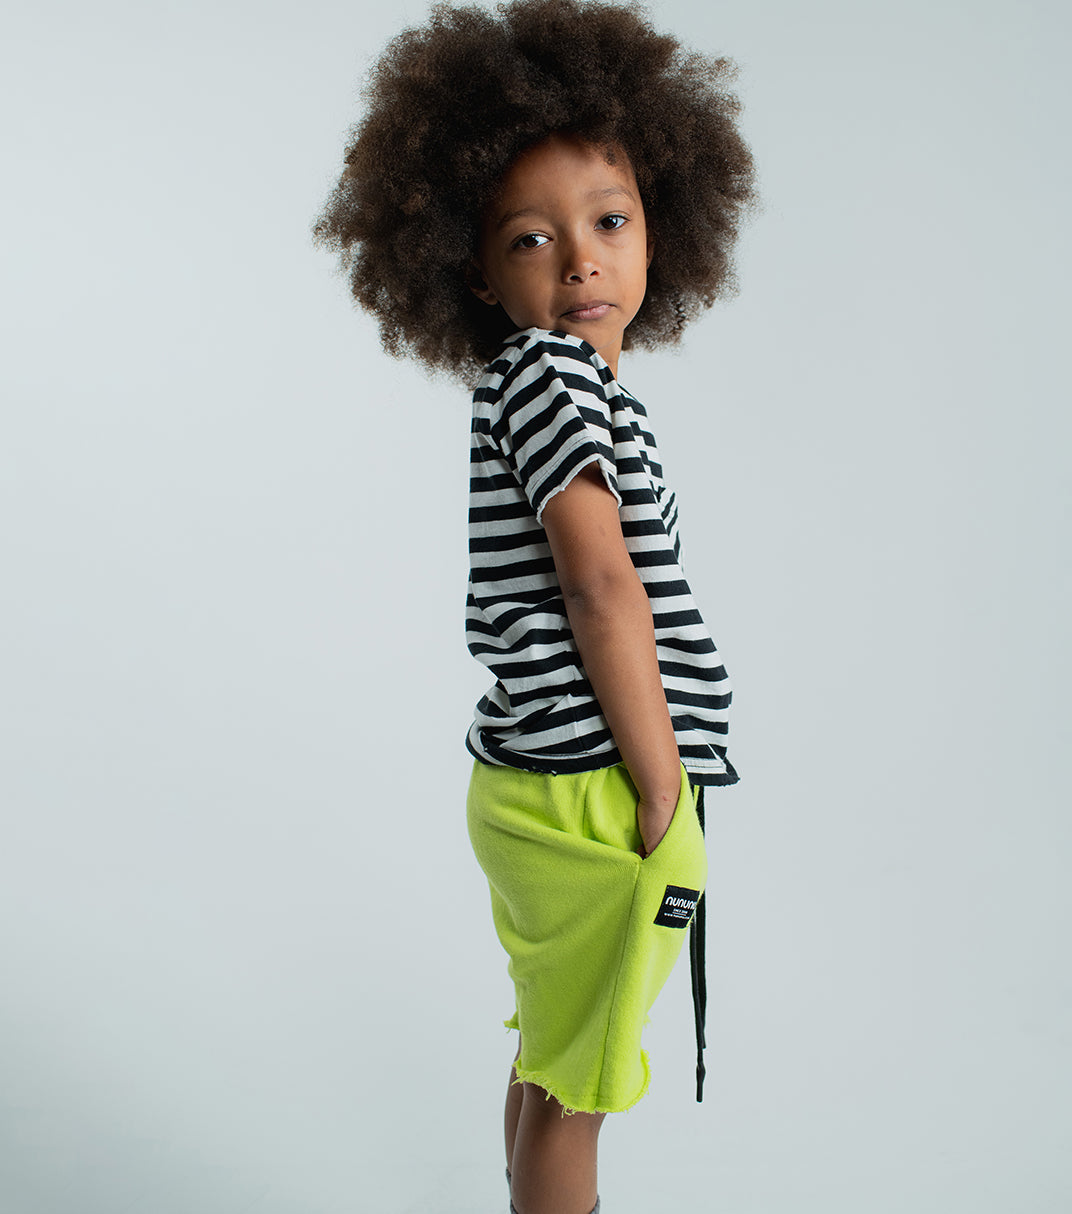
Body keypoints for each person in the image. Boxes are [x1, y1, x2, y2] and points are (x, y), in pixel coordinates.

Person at [313, 2, 759, 1210]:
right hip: (597, 783)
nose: (579, 261)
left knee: (550, 1056)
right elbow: (598, 582)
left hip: (539, 777)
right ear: (470, 267)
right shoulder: (553, 372)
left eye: (609, 220)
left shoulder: (537, 383)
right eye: (529, 237)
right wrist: (659, 784)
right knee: (580, 1092)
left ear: (661, 225)